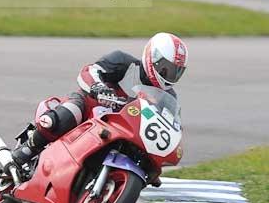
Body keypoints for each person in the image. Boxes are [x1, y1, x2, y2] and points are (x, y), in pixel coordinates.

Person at [11, 32, 188, 176]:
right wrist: (98, 87)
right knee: (69, 113)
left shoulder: (167, 96)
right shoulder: (123, 62)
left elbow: (168, 124)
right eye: (166, 68)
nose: (169, 75)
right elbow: (90, 71)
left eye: (176, 72)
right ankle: (29, 148)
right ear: (153, 57)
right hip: (92, 106)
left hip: (123, 130)